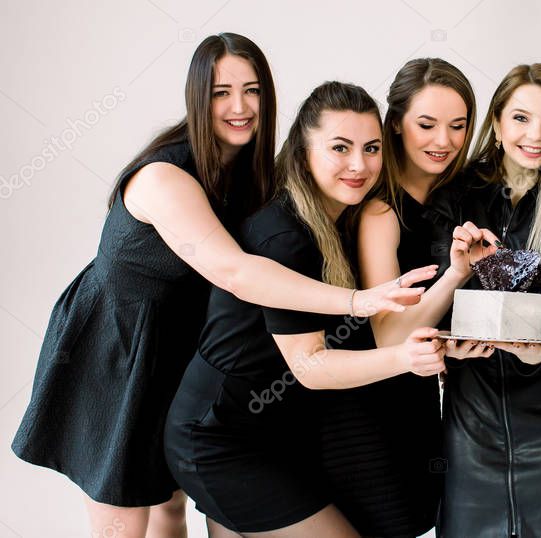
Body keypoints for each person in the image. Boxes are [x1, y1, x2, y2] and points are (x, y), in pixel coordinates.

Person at [12, 35, 421, 538]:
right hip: (116, 343)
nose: (240, 107)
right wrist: (358, 301)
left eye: (252, 91)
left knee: (171, 504)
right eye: (221, 92)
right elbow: (238, 274)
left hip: (182, 340)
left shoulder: (250, 173)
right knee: (121, 517)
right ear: (196, 97)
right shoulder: (164, 175)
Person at [164, 81, 445, 537]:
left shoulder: (340, 221)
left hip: (271, 433)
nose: (359, 165)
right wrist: (405, 358)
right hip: (219, 436)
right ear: (303, 149)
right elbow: (310, 366)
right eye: (340, 148)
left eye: (371, 148)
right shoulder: (287, 235)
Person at [425, 63, 541, 537]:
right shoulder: (454, 195)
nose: (535, 136)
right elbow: (431, 298)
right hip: (471, 424)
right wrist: (446, 346)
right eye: (521, 118)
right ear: (497, 123)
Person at [354, 58, 491, 535]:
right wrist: (454, 276)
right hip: (376, 409)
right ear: (395, 124)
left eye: (458, 126)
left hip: (431, 405)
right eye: (426, 125)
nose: (444, 141)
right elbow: (389, 334)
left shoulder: (462, 195)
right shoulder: (380, 211)